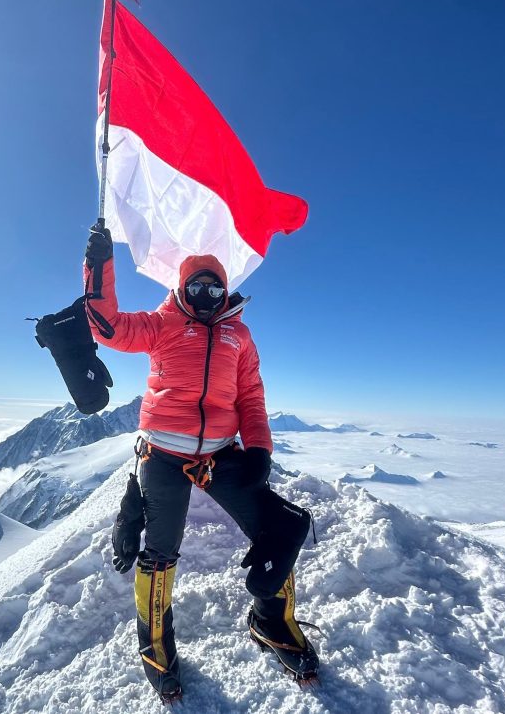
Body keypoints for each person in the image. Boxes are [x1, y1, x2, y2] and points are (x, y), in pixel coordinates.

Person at [83, 224, 319, 702]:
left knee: (278, 529)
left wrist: (259, 450)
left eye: (215, 286)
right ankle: (155, 650)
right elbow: (105, 326)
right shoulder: (161, 323)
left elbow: (251, 395)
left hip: (219, 453)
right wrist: (99, 265)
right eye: (197, 286)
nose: (207, 294)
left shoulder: (240, 335)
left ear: (225, 289)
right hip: (163, 455)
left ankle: (271, 623)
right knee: (161, 552)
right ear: (182, 288)